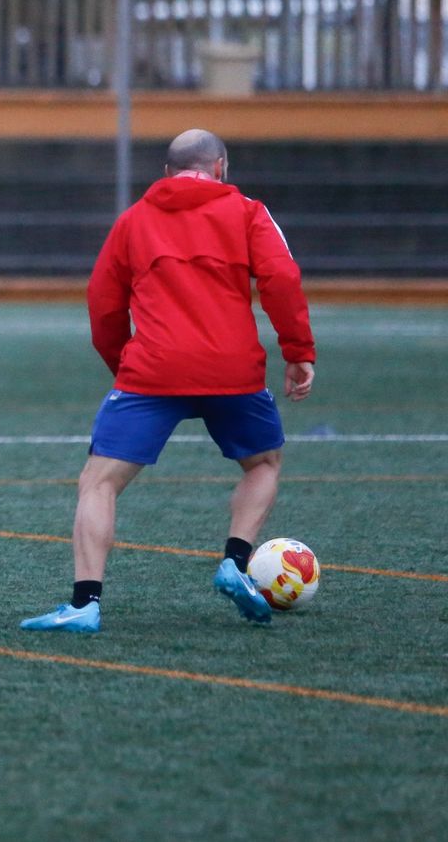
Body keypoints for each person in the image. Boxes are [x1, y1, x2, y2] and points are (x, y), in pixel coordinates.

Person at [21, 129, 316, 633]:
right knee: (263, 463)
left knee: (99, 482)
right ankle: (234, 562)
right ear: (221, 166)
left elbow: (102, 302)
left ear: (165, 173)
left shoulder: (134, 220)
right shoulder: (248, 212)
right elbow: (282, 279)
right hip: (233, 368)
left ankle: (85, 604)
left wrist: (126, 368)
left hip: (153, 369)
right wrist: (298, 352)